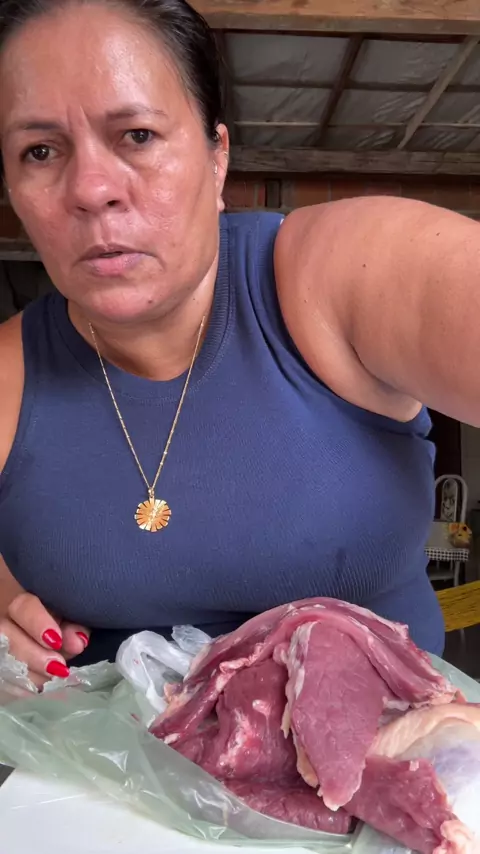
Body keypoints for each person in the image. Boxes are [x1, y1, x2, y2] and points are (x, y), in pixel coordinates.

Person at [0, 0, 478, 688]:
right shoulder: (11, 374)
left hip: (385, 750)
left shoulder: (341, 274)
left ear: (217, 157)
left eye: (137, 135)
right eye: (40, 151)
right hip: (109, 758)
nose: (92, 190)